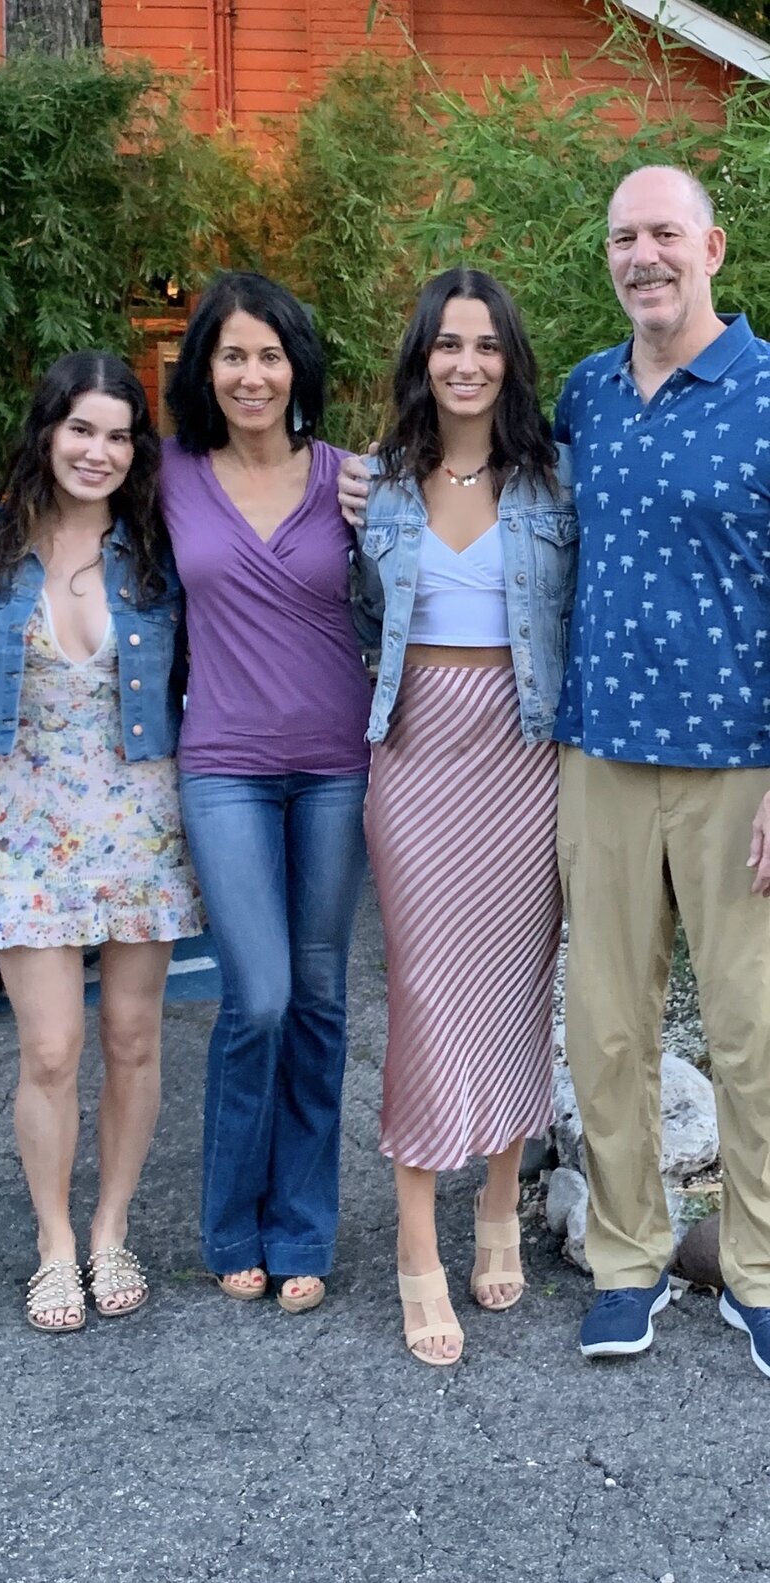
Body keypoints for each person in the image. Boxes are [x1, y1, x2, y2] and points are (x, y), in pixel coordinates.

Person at [549, 165, 770, 1375]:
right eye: (624, 235)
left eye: (664, 233)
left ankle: (757, 1269)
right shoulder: (586, 391)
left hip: (741, 764)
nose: (644, 254)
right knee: (609, 1029)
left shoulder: (767, 392)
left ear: (712, 249)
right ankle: (628, 1258)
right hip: (602, 758)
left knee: (752, 1031)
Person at [349, 268, 576, 1365]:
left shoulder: (554, 479)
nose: (466, 362)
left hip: (523, 746)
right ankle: (412, 1242)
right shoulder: (378, 485)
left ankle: (495, 1200)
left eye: (485, 344)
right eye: (447, 344)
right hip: (415, 746)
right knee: (426, 984)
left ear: (508, 360)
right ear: (421, 359)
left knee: (510, 977)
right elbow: (354, 614)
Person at [0, 351, 203, 1332]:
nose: (97, 450)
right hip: (25, 819)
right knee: (53, 1047)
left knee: (133, 1034)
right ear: (47, 430)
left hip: (141, 813)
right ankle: (52, 1242)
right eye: (80, 429)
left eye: (117, 434)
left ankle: (110, 1228)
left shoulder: (158, 549)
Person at [162, 271, 372, 1313]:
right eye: (232, 354)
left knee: (323, 997)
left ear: (298, 367)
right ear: (205, 367)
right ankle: (228, 1218)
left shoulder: (353, 480)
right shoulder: (167, 478)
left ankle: (302, 1227)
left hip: (337, 763)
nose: (252, 372)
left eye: (269, 354)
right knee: (260, 994)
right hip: (225, 767)